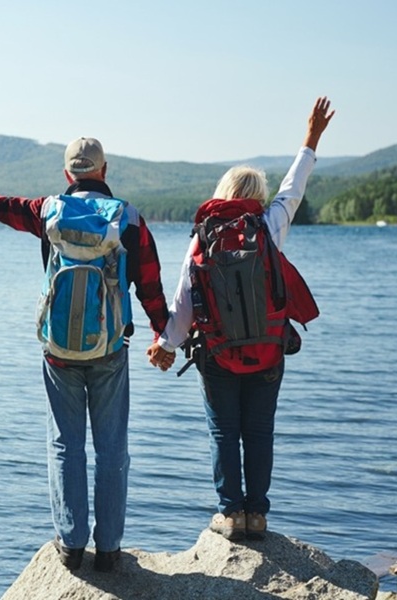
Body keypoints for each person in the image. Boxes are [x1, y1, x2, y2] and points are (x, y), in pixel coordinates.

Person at [0, 138, 169, 572]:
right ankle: (109, 549)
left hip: (58, 351)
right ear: (104, 171)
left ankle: (71, 544)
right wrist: (164, 336)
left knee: (65, 444)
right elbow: (150, 285)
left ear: (68, 174)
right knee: (112, 449)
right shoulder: (129, 218)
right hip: (110, 349)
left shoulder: (47, 210)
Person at [147, 97, 335, 541]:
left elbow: (185, 300)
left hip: (217, 355)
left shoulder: (203, 236)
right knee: (260, 432)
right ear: (257, 198)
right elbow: (294, 188)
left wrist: (165, 345)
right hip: (268, 351)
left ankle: (230, 514)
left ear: (223, 193)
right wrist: (311, 138)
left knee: (224, 433)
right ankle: (258, 516)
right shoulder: (268, 226)